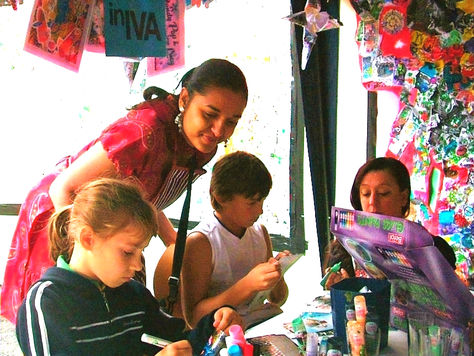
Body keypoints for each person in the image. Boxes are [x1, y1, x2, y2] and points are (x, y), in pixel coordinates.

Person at [2, 58, 249, 323]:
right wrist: (82, 257)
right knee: (59, 320)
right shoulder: (143, 132)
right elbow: (64, 187)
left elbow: (143, 197)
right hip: (62, 214)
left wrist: (178, 248)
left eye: (231, 122)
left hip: (107, 230)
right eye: (210, 115)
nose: (219, 130)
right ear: (185, 98)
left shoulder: (201, 145)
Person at [15, 178, 242, 356]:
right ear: (88, 239)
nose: (137, 265)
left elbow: (180, 343)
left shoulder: (134, 295)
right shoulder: (46, 303)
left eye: (141, 252)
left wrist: (215, 324)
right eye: (127, 252)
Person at [180, 151, 289, 330]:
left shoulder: (260, 233)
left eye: (262, 201)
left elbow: (278, 299)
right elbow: (193, 318)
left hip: (263, 325)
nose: (260, 210)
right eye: (252, 202)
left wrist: (278, 273)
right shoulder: (201, 242)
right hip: (226, 336)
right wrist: (247, 286)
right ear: (222, 198)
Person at [322, 157, 456, 289]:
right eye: (366, 194)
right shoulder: (343, 250)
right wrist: (341, 288)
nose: (372, 202)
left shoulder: (435, 249)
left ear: (403, 198)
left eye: (383, 193)